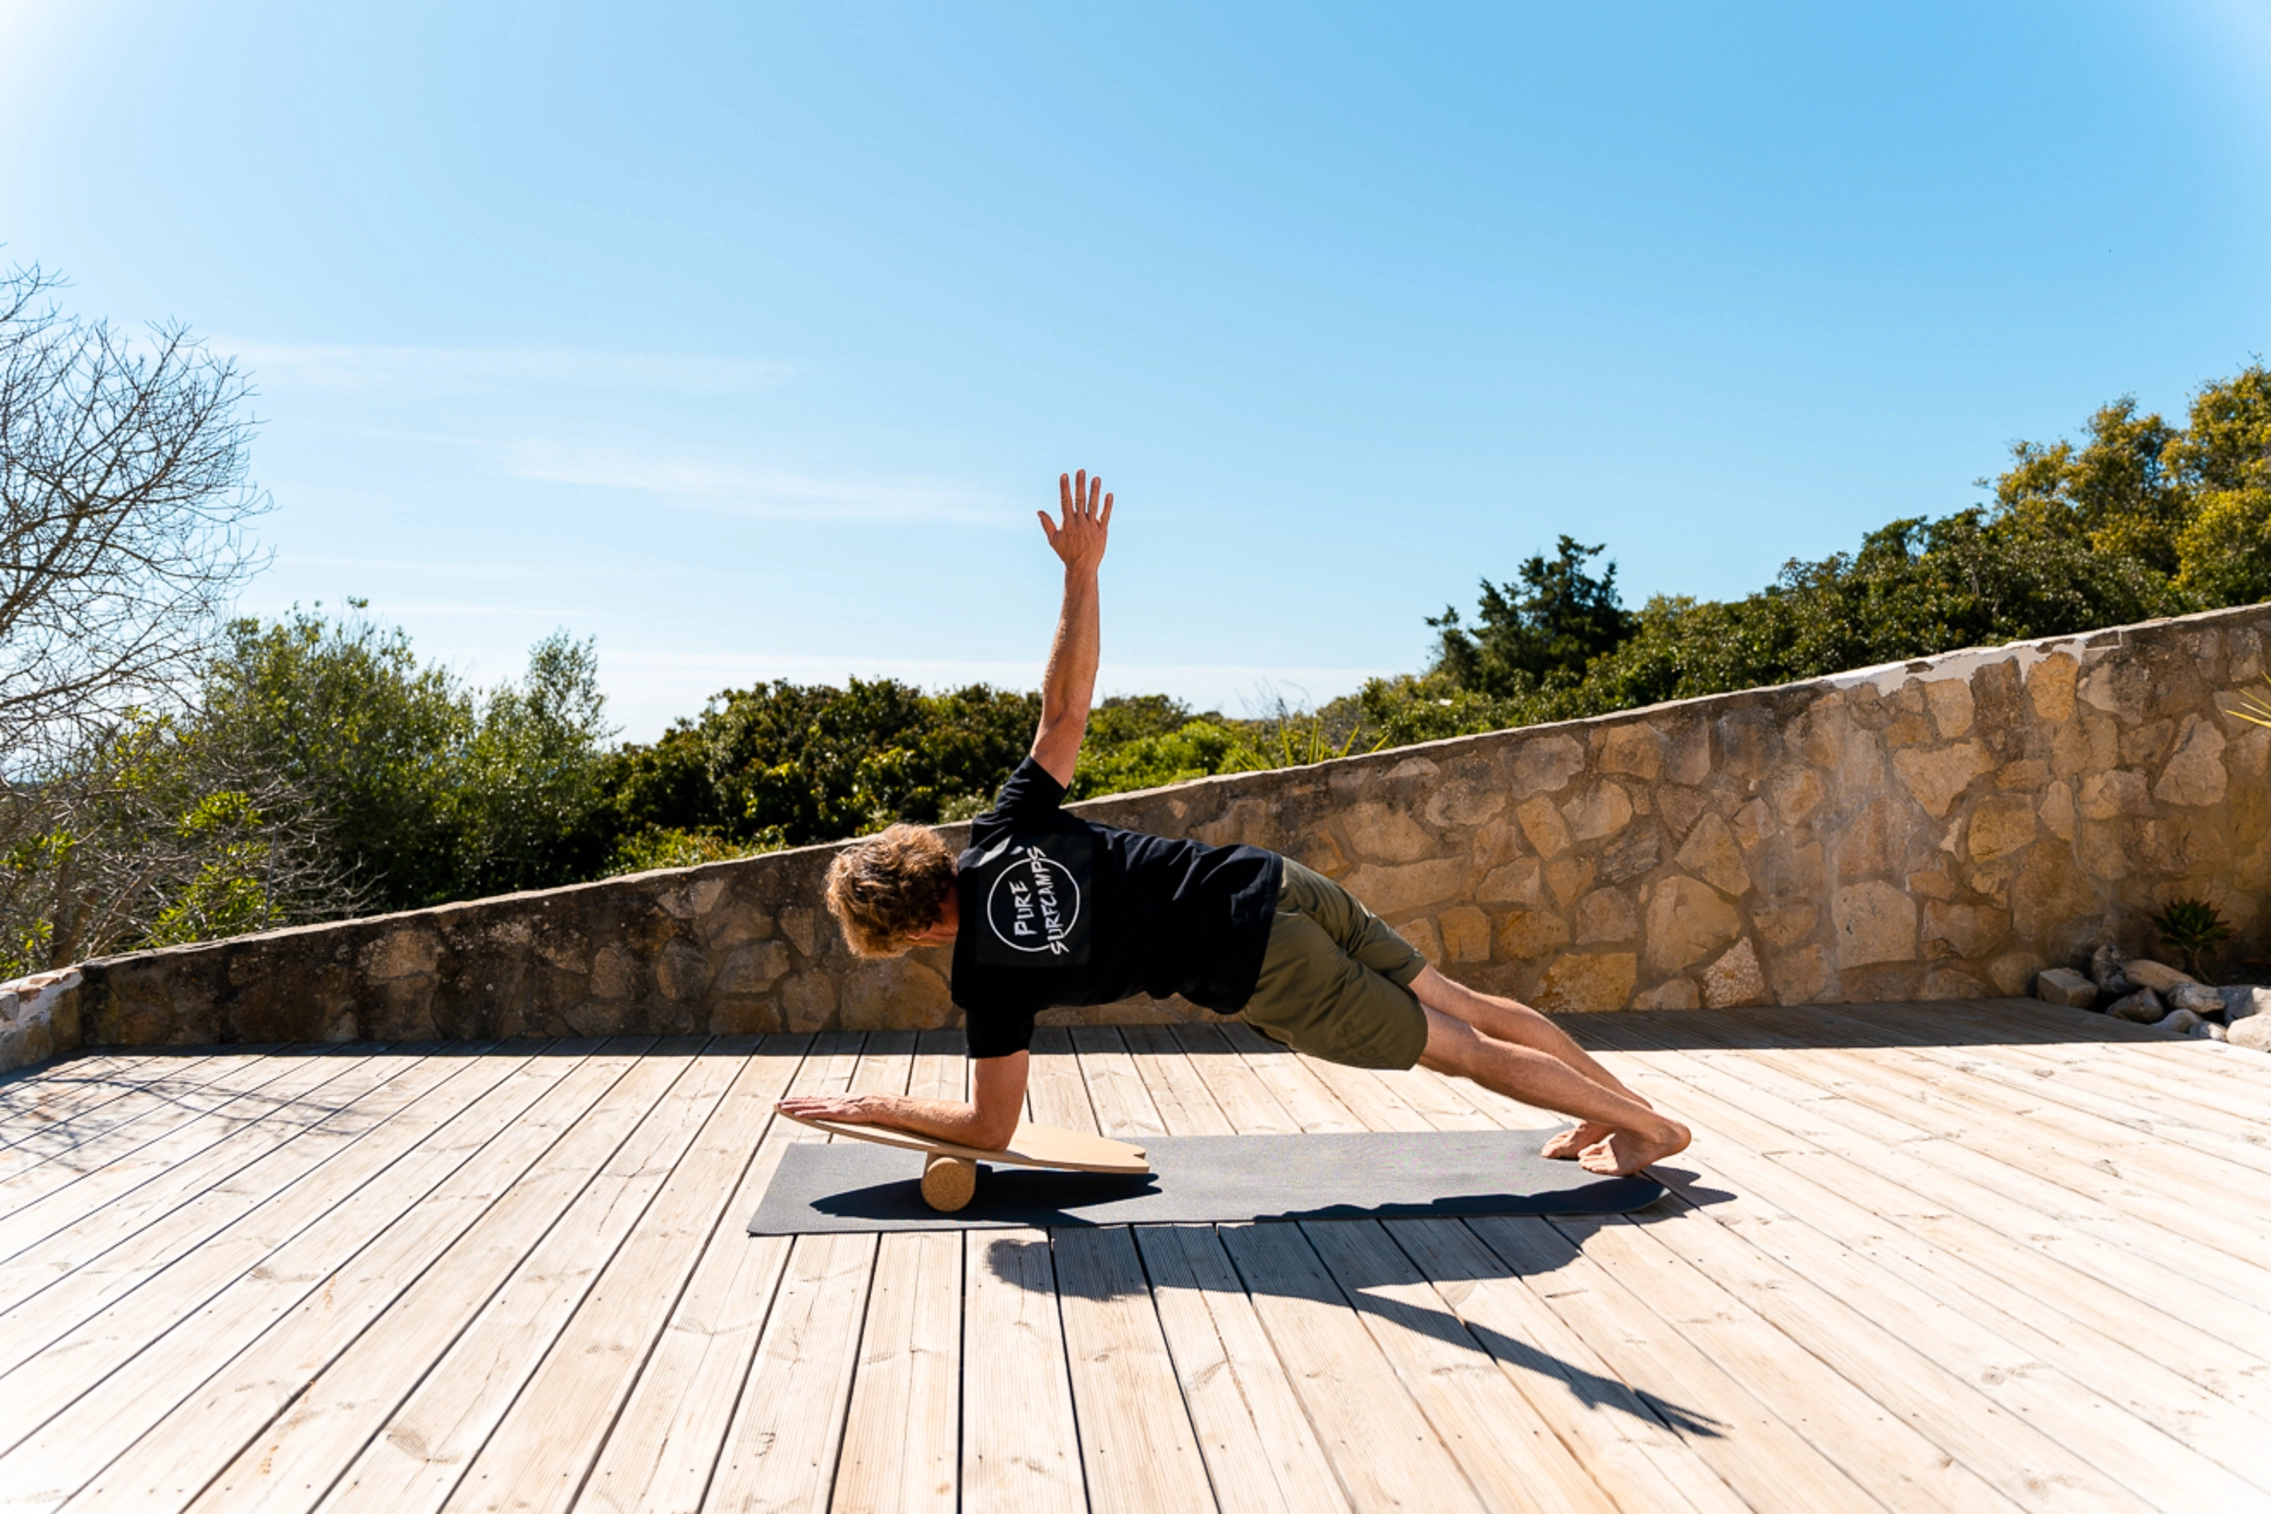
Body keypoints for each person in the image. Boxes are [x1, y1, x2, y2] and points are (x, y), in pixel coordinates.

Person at [778, 470, 1690, 1178]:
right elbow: (1066, 710)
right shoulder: (1006, 828)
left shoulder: (987, 977)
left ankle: (1648, 1127)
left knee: (1459, 1050)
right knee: (1467, 1006)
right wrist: (1082, 574)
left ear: (907, 932)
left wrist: (872, 1105)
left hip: (1257, 963)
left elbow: (989, 1127)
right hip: (1267, 882)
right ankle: (1615, 1106)